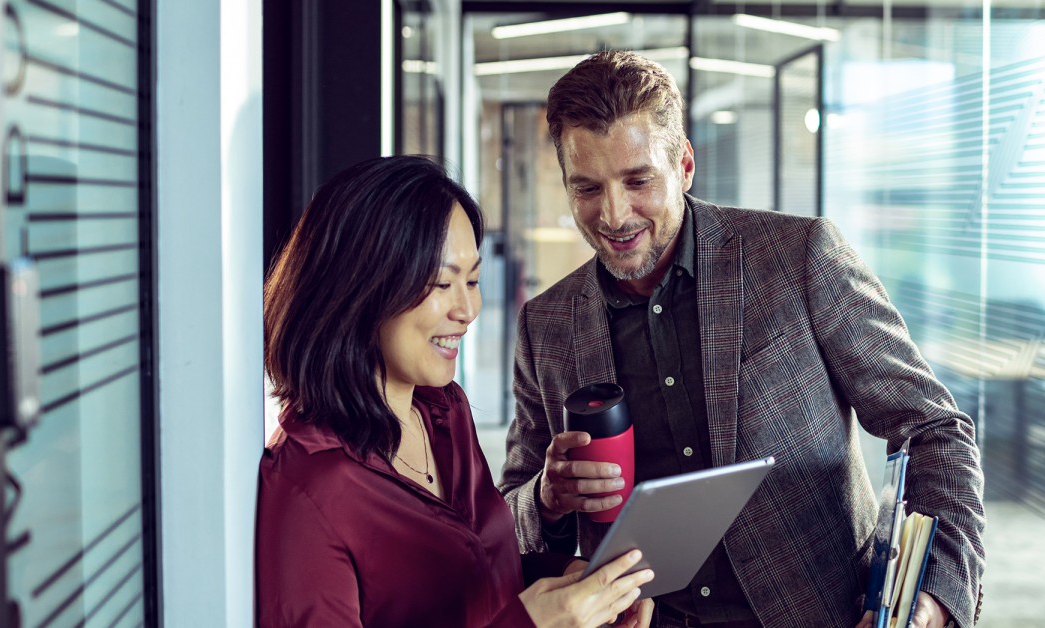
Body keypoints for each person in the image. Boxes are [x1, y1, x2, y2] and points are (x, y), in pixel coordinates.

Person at [498, 51, 986, 628]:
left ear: (683, 165)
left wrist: (928, 599)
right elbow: (509, 512)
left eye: (638, 181)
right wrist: (547, 500)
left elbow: (934, 429)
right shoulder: (545, 326)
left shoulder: (799, 257)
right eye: (587, 188)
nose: (613, 214)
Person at [257, 155, 655, 627]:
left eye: (472, 280)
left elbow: (473, 581)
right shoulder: (309, 491)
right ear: (359, 290)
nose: (468, 309)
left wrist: (570, 585)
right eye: (442, 283)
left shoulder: (443, 412)